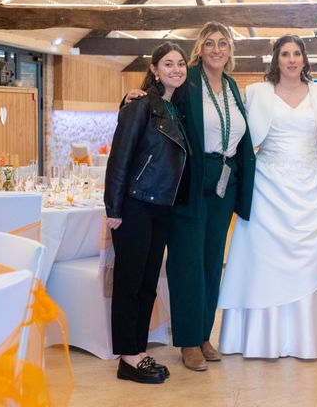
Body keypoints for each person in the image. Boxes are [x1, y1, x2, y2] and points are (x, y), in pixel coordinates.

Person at [124, 22, 255, 371]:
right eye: (209, 43)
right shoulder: (188, 80)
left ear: (230, 50)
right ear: (200, 48)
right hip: (191, 180)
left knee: (213, 262)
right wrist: (132, 96)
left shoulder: (230, 85)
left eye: (223, 43)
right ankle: (186, 340)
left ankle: (203, 334)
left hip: (225, 181)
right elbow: (157, 102)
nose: (216, 49)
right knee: (187, 262)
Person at [218, 34, 317, 359]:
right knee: (265, 262)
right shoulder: (256, 93)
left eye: (297, 54)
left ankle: (314, 338)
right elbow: (238, 133)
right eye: (285, 54)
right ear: (276, 60)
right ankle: (260, 339)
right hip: (268, 188)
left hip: (311, 188)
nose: (292, 59)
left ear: (304, 59)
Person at [104, 41, 189, 384]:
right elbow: (119, 157)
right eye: (168, 64)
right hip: (136, 204)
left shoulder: (174, 109)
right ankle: (128, 355)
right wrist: (114, 206)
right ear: (154, 69)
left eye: (180, 63)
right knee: (129, 282)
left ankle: (136, 349)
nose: (176, 69)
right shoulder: (140, 106)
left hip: (161, 207)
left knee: (148, 284)